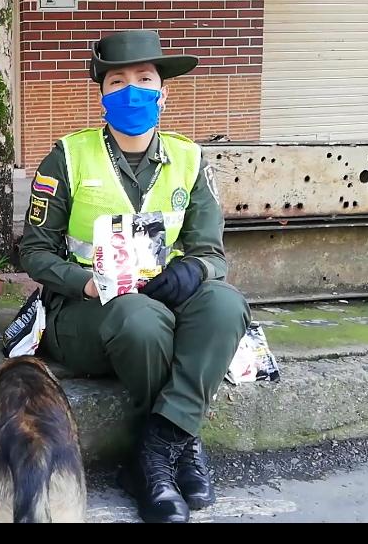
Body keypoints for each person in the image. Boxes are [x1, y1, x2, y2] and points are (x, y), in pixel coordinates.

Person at [18, 29, 250, 523]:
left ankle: (157, 451)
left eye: (145, 79)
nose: (132, 91)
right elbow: (34, 251)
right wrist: (83, 281)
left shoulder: (189, 158)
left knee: (224, 304)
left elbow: (213, 252)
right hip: (86, 312)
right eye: (117, 81)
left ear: (164, 91)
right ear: (101, 92)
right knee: (140, 320)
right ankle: (180, 450)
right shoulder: (68, 156)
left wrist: (195, 270)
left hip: (160, 299)